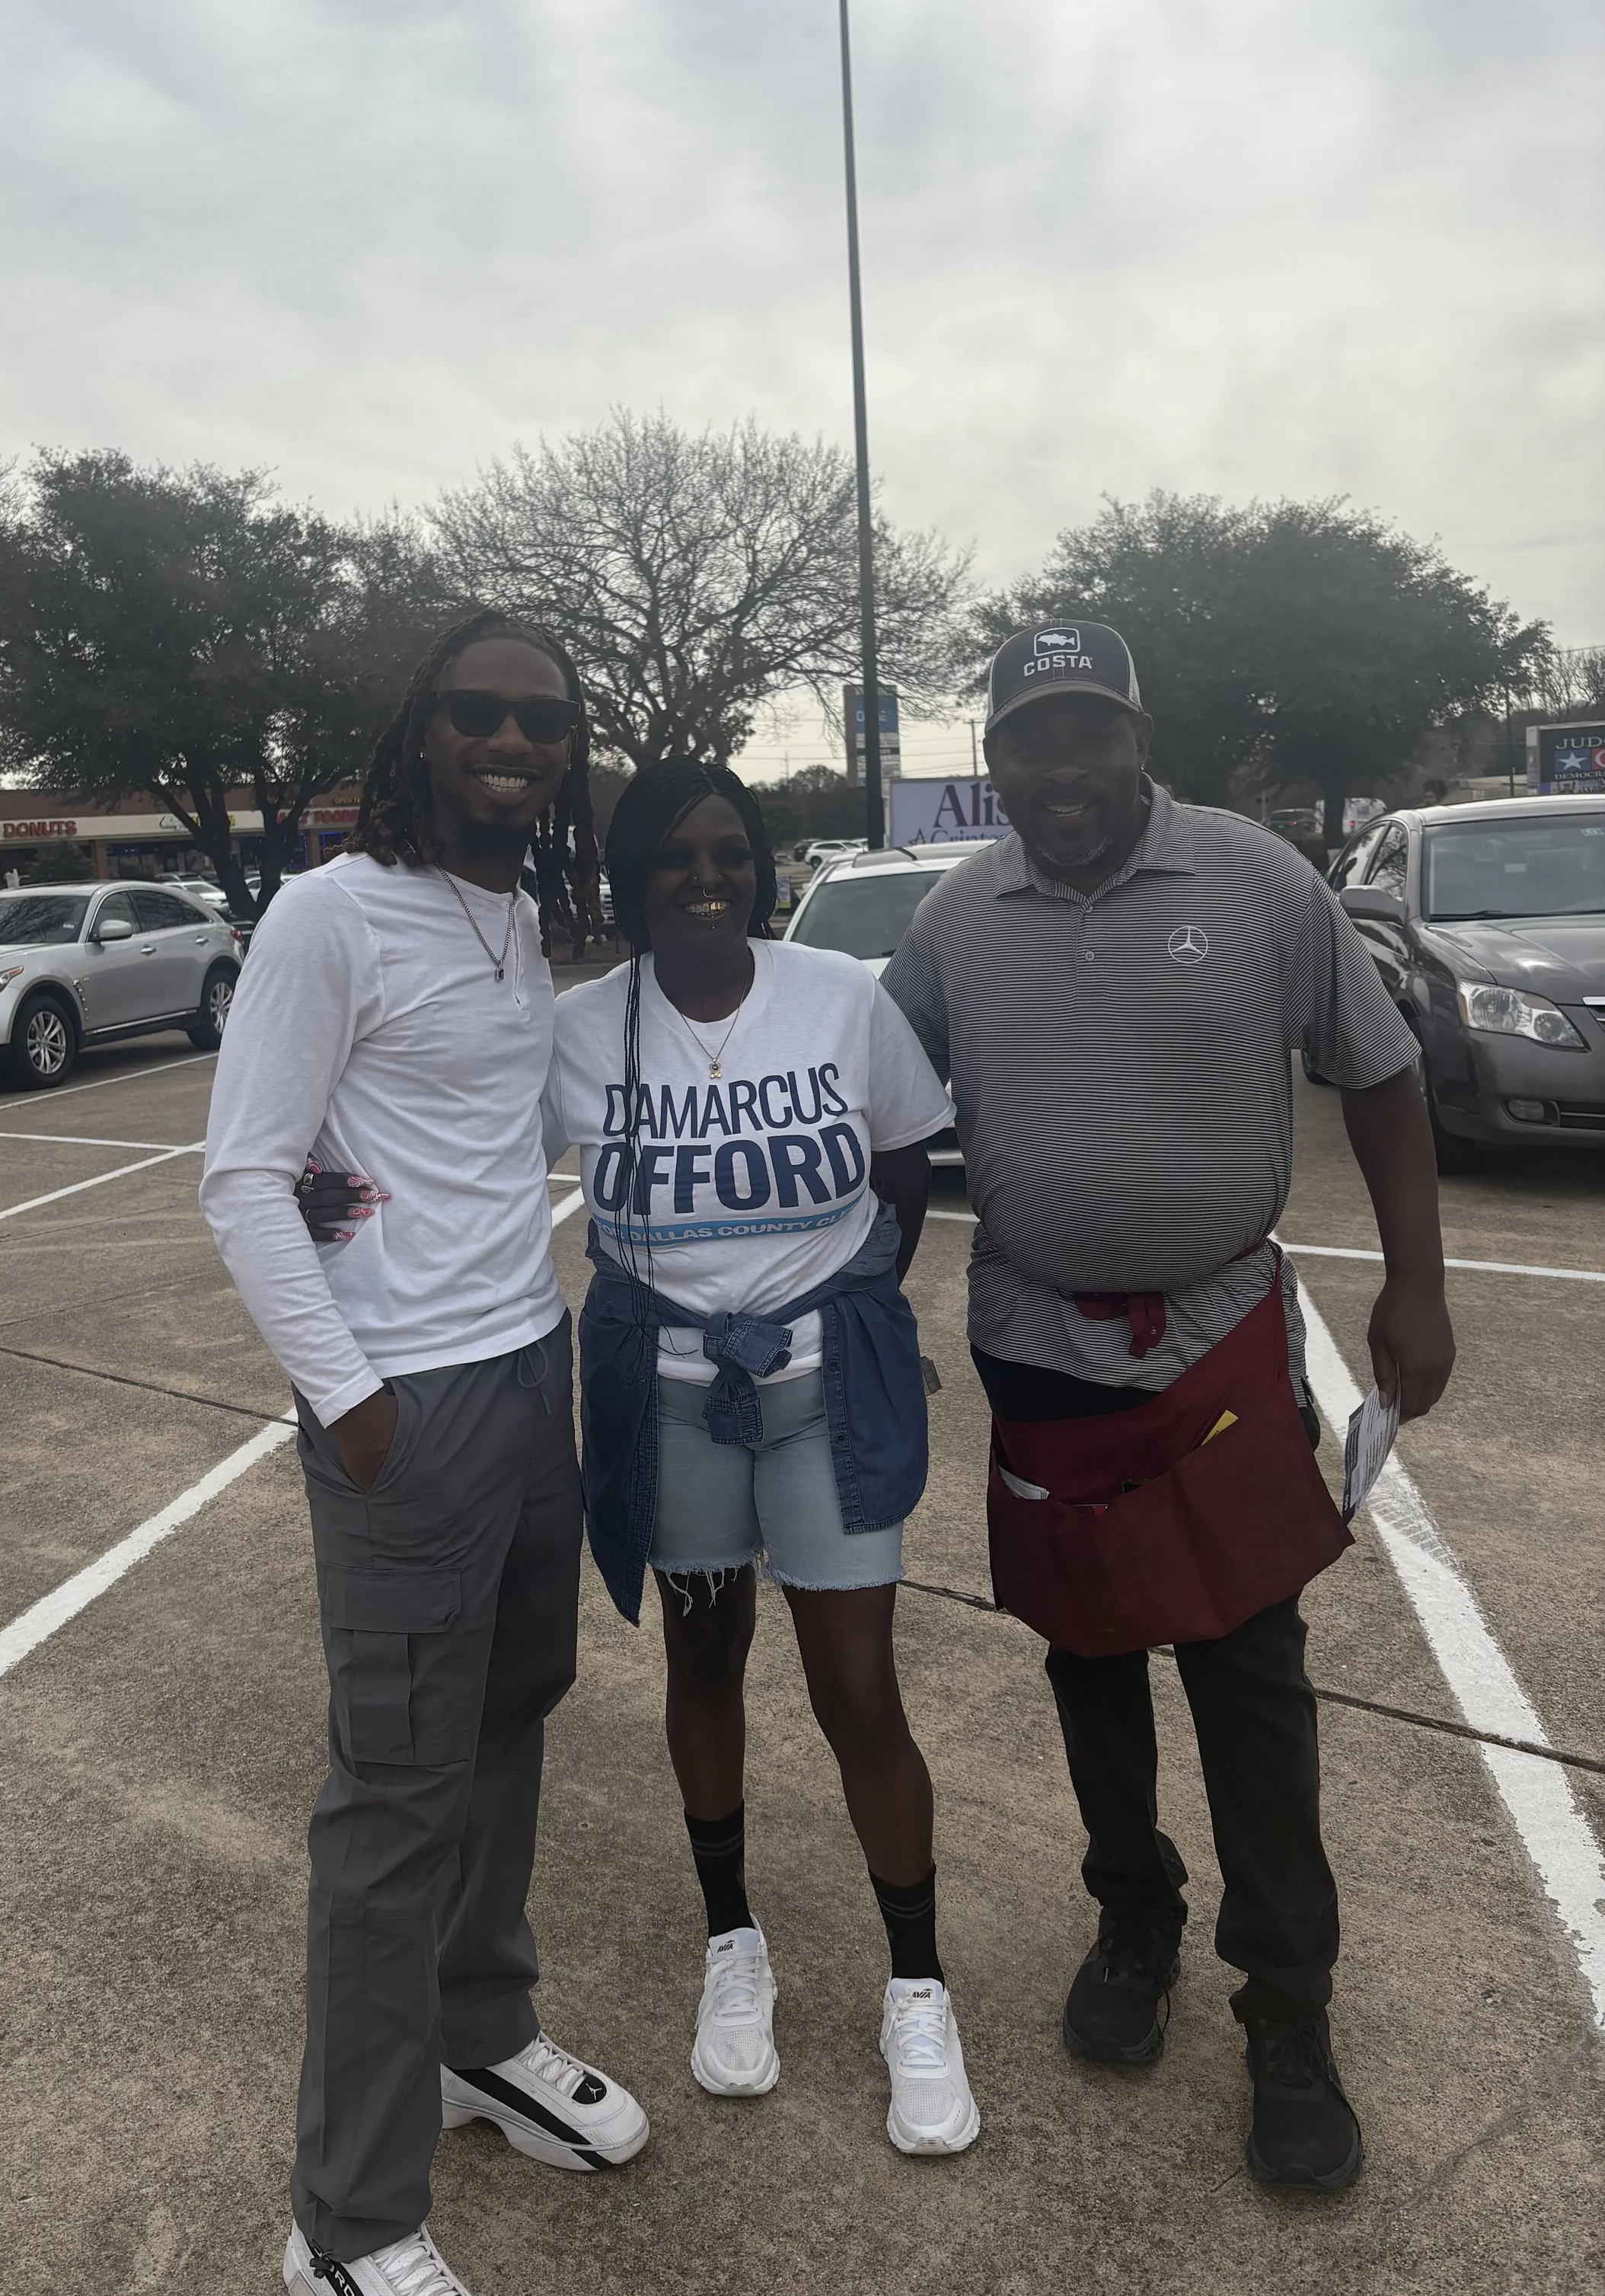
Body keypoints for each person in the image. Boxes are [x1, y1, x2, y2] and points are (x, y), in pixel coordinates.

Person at [882, 620, 1455, 2195]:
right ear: (988, 762)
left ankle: (1286, 2002)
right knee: (1087, 1655)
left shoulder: (1257, 880)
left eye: (1087, 735)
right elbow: (869, 1110)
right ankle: (1131, 1912)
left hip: (1213, 1338)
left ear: (1136, 740)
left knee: (1247, 1668)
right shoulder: (947, 922)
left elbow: (1380, 1071)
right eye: (1025, 743)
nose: (1058, 772)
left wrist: (1413, 1279)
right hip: (1037, 1347)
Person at [200, 612, 649, 2296]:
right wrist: (354, 1400)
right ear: (423, 730)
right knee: (388, 1803)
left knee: (507, 1725)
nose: (511, 743)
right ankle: (349, 2217)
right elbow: (243, 1174)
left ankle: (480, 2037)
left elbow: (502, 1120)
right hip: (407, 1407)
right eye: (478, 713)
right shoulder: (325, 916)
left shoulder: (517, 912)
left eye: (539, 720)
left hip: (529, 1370)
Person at [545, 758, 981, 2157]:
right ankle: (735, 1941)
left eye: (730, 849)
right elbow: (453, 1143)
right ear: (634, 878)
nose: (707, 874)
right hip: (667, 1399)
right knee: (703, 1661)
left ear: (762, 865)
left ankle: (918, 1986)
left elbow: (906, 1154)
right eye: (677, 855)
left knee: (861, 1693)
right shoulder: (576, 1031)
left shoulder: (839, 1000)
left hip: (820, 1397)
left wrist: (852, 1298)